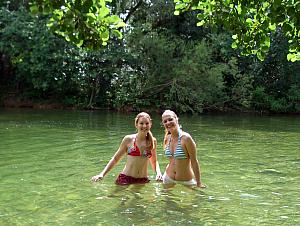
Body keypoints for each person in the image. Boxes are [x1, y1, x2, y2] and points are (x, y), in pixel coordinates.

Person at [91, 112, 163, 185]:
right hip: (126, 178)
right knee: (115, 196)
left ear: (150, 124)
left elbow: (154, 161)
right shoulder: (128, 139)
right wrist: (102, 174)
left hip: (142, 180)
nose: (144, 126)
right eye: (141, 123)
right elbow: (115, 159)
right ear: (136, 124)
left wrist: (158, 173)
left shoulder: (152, 141)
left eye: (147, 123)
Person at [161, 110, 205, 188]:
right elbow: (172, 160)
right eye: (165, 121)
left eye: (170, 119)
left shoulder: (186, 138)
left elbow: (194, 161)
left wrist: (199, 182)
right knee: (166, 200)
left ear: (176, 119)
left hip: (186, 180)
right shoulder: (167, 138)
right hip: (168, 178)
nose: (168, 122)